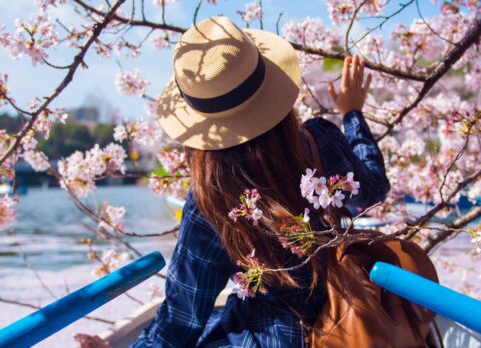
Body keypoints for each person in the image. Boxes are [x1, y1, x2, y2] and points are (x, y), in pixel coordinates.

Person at [133, 16, 389, 347]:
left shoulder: (212, 200)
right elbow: (372, 191)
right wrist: (353, 114)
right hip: (346, 324)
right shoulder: (319, 142)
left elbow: (181, 320)